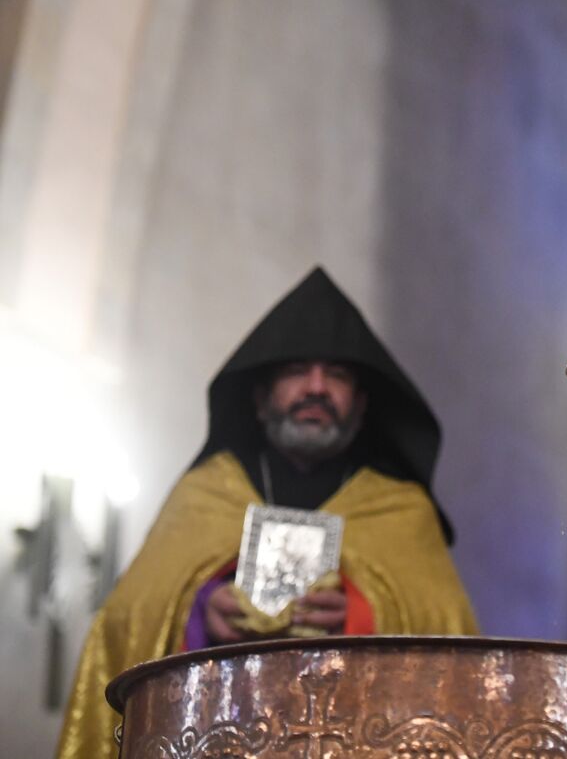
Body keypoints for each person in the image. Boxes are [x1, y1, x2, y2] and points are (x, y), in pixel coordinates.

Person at [56, 267, 478, 759]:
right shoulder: (207, 491)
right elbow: (124, 622)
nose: (316, 387)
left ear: (361, 405)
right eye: (297, 371)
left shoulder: (400, 509)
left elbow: (453, 648)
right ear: (260, 398)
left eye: (337, 375)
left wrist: (364, 615)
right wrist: (199, 610)